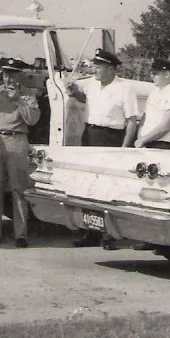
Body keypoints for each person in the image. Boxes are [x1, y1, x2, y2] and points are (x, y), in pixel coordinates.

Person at [66, 49, 139, 248]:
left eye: (98, 67)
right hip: (90, 134)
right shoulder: (92, 84)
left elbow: (132, 121)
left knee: (109, 188)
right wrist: (73, 91)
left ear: (111, 68)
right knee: (89, 184)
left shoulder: (125, 88)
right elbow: (84, 98)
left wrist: (124, 148)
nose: (94, 70)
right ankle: (90, 232)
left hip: (111, 138)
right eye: (94, 66)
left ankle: (111, 235)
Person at [0, 58, 40, 248]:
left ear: (19, 76)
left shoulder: (28, 95)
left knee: (18, 191)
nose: (9, 79)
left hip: (17, 141)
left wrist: (19, 100)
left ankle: (20, 234)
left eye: (13, 74)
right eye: (6, 75)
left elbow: (32, 121)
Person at [135, 59, 170, 150]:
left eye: (155, 73)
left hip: (163, 145)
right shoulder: (153, 94)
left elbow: (166, 126)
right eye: (151, 73)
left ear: (166, 74)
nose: (152, 76)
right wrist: (140, 138)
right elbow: (144, 120)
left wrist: (142, 140)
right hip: (147, 143)